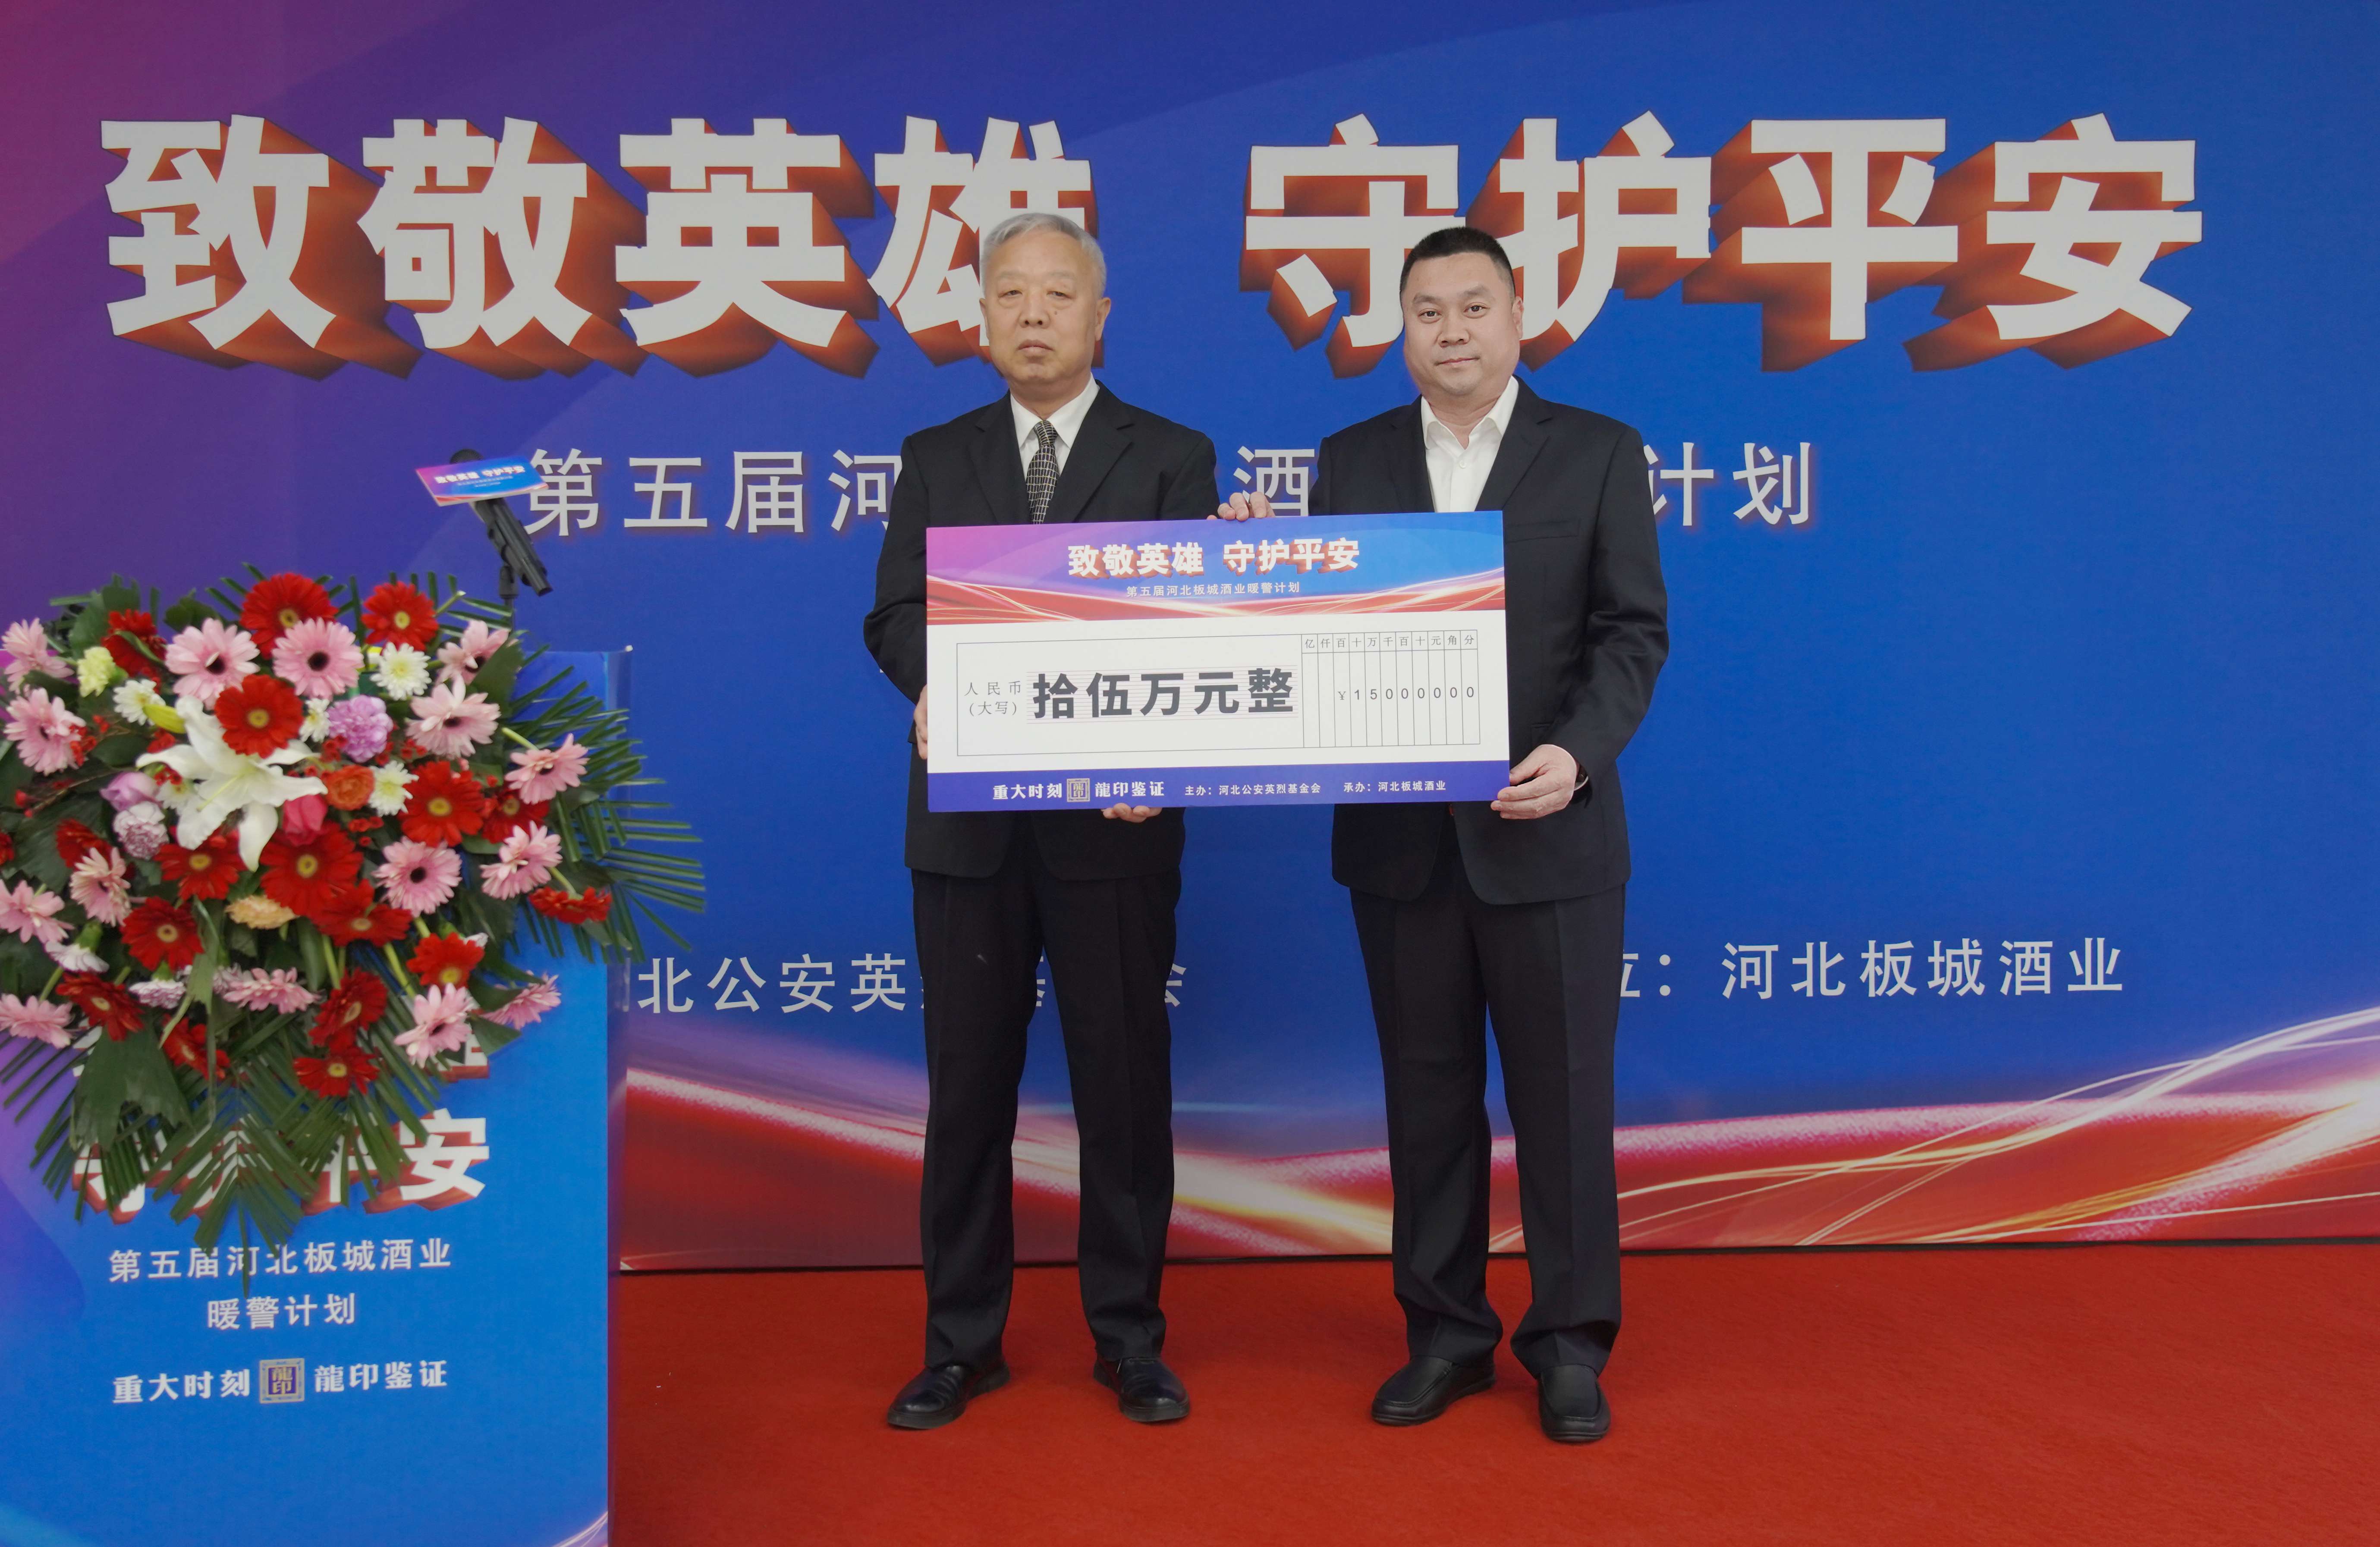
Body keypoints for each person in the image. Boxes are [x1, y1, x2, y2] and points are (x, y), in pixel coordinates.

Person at [1219, 225, 1667, 1442]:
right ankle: (1445, 1336)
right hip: (1402, 846)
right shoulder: (1351, 459)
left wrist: (1577, 754)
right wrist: (1249, 565)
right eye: (1428, 311)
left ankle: (1569, 1344)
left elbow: (1632, 633)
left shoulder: (1598, 451)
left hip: (1550, 832)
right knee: (1426, 1102)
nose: (1452, 331)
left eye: (1475, 306)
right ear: (1400, 329)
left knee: (1563, 1104)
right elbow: (1311, 640)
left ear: (1519, 316)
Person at [863, 210, 1218, 1429]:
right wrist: (943, 687)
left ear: (1098, 318)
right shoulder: (936, 454)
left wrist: (1163, 746)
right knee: (968, 1091)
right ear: (980, 319)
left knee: (1124, 1087)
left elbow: (1198, 629)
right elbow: (897, 614)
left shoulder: (1171, 455)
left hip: (1115, 828)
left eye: (1057, 295)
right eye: (1009, 294)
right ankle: (961, 1343)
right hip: (968, 831)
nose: (1032, 314)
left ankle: (1130, 1339)